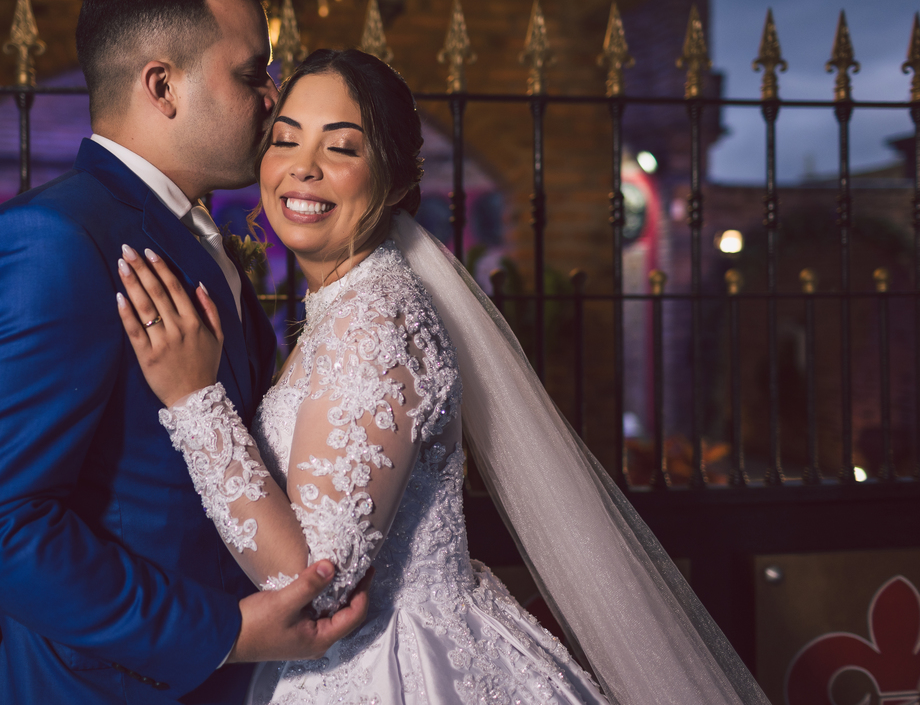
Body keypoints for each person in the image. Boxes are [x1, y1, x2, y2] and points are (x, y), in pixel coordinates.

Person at [114, 49, 773, 705]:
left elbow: (317, 584)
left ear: (394, 180)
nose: (303, 167)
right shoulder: (347, 306)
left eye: (341, 148)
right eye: (285, 140)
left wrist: (193, 398)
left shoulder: (376, 323)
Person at [0, 0, 369, 705]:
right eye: (251, 74)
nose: (272, 97)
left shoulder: (189, 233)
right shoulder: (48, 241)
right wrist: (222, 632)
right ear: (162, 86)